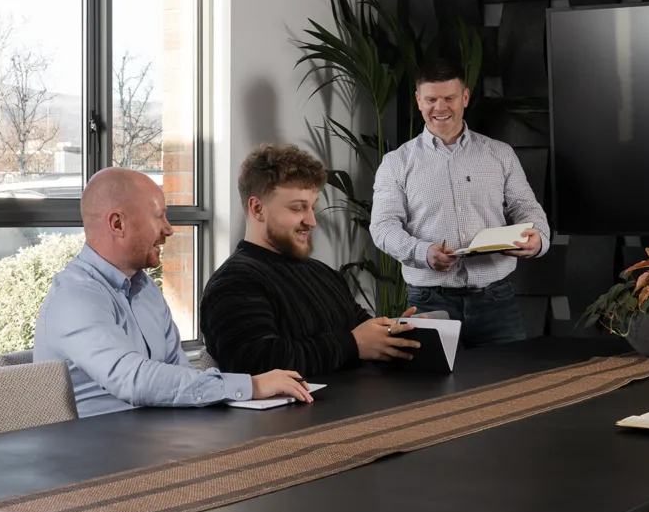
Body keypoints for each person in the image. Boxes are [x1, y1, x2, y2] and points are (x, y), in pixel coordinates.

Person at [34, 168, 312, 418]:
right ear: (118, 224)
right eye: (159, 217)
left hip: (155, 438)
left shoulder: (145, 290)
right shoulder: (74, 298)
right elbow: (135, 380)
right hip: (94, 458)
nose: (169, 228)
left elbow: (175, 372)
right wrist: (249, 385)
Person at [369, 59, 551, 347]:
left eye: (449, 98)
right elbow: (382, 227)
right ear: (418, 100)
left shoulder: (500, 154)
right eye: (431, 99)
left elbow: (527, 208)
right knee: (434, 391)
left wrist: (539, 239)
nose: (440, 108)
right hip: (429, 303)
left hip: (497, 302)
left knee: (512, 387)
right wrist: (423, 252)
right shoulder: (395, 163)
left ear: (464, 98)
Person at [201, 143, 422, 377]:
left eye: (312, 208)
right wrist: (352, 344)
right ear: (257, 209)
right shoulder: (234, 283)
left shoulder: (323, 273)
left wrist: (394, 332)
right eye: (298, 208)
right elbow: (257, 362)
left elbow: (362, 331)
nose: (311, 220)